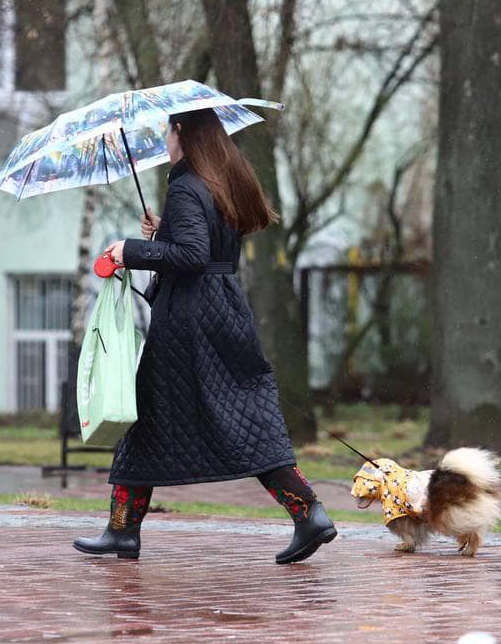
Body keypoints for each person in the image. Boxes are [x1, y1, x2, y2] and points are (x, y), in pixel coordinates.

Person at [73, 108, 337, 564]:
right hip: (225, 310)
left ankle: (123, 531)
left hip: (188, 323)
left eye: (166, 131)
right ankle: (306, 512)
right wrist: (161, 236)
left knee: (153, 417)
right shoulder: (219, 181)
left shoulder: (185, 184)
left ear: (181, 132)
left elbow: (192, 256)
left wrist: (129, 251)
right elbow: (203, 248)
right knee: (240, 416)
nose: (164, 141)